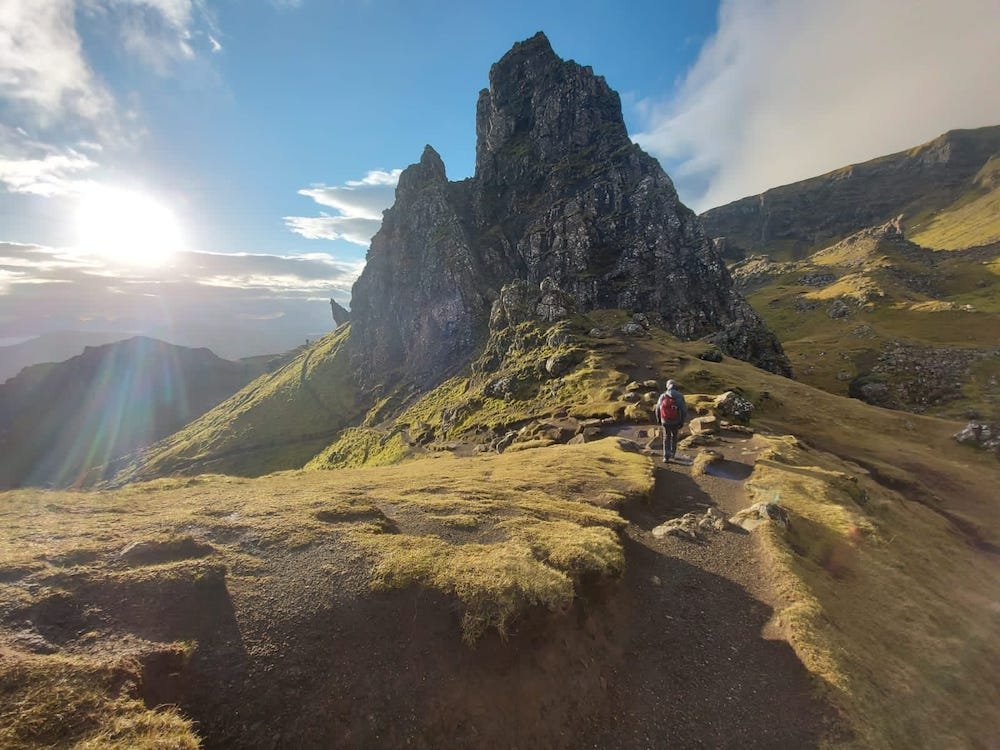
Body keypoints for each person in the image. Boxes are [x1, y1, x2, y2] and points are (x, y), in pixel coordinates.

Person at [655, 379, 687, 462]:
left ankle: (666, 456)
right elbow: (683, 411)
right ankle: (673, 453)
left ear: (667, 386)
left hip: (665, 420)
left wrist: (659, 419)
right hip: (676, 421)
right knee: (674, 436)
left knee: (666, 437)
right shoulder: (680, 396)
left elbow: (657, 408)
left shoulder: (663, 395)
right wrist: (682, 421)